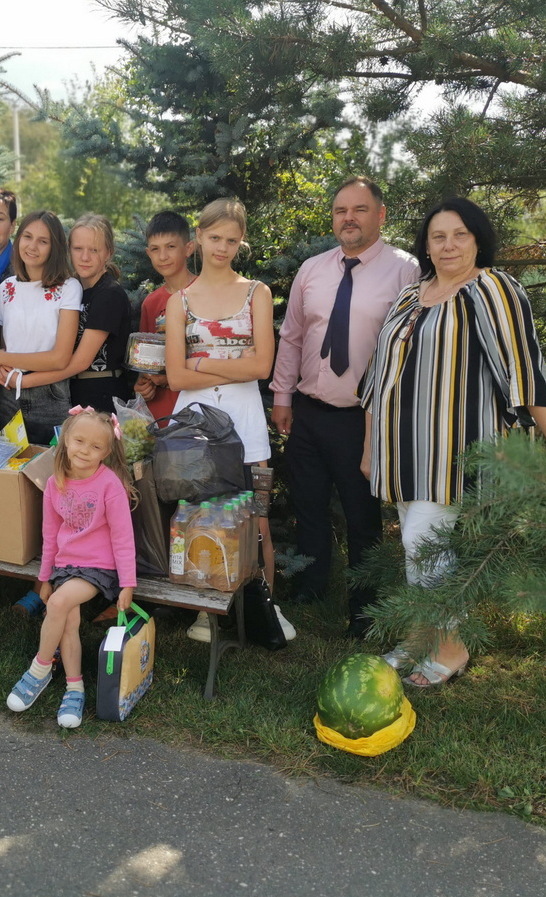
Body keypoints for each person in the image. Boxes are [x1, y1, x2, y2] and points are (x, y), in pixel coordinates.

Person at [359, 196, 546, 687]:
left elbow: (526, 373)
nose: (448, 245)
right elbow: (377, 377)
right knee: (419, 547)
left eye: (460, 235)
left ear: (477, 240)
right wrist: (369, 448)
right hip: (403, 452)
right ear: (425, 246)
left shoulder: (492, 289)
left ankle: (450, 648)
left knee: (424, 545)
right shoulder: (412, 295)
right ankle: (421, 635)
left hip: (457, 450)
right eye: (438, 236)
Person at [269, 176, 420, 639]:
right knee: (309, 505)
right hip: (309, 412)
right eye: (340, 211)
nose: (348, 218)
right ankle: (313, 587)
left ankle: (365, 604)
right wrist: (282, 395)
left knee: (361, 515)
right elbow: (292, 335)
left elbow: (412, 347)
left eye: (359, 209)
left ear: (380, 214)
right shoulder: (312, 269)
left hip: (365, 418)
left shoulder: (405, 271)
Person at [164, 198, 278, 642]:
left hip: (245, 421)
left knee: (256, 519)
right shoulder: (181, 301)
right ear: (199, 236)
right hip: (193, 428)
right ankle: (203, 610)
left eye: (232, 240)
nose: (222, 248)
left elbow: (261, 367)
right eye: (215, 238)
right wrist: (234, 359)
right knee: (194, 515)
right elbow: (175, 375)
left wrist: (202, 363)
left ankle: (266, 608)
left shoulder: (257, 293)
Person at [5, 407, 137, 729]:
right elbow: (50, 535)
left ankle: (39, 668)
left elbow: (123, 537)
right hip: (65, 565)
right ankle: (75, 688)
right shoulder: (54, 483)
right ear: (65, 440)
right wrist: (44, 578)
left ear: (107, 452)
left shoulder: (109, 485)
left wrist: (128, 583)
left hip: (99, 567)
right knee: (67, 621)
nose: (85, 451)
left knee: (60, 604)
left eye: (95, 447)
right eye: (79, 440)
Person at [8, 213, 132, 411]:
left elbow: (80, 363)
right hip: (69, 392)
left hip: (101, 396)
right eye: (78, 249)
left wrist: (24, 381)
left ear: (108, 252)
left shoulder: (109, 294)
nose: (84, 257)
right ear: (68, 249)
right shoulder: (70, 290)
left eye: (94, 250)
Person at [0, 210, 82, 446]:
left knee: (52, 475)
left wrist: (1, 357)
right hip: (8, 394)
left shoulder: (69, 288)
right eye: (27, 237)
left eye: (43, 241)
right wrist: (0, 364)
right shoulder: (6, 288)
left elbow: (60, 358)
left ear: (55, 248)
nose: (32, 246)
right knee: (12, 476)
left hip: (50, 395)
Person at [135, 211, 196, 421]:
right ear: (148, 253)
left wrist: (167, 377)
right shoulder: (151, 304)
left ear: (189, 248)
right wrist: (143, 384)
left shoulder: (207, 294)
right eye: (155, 249)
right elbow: (146, 364)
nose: (163, 256)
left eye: (170, 247)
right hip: (163, 414)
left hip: (201, 408)